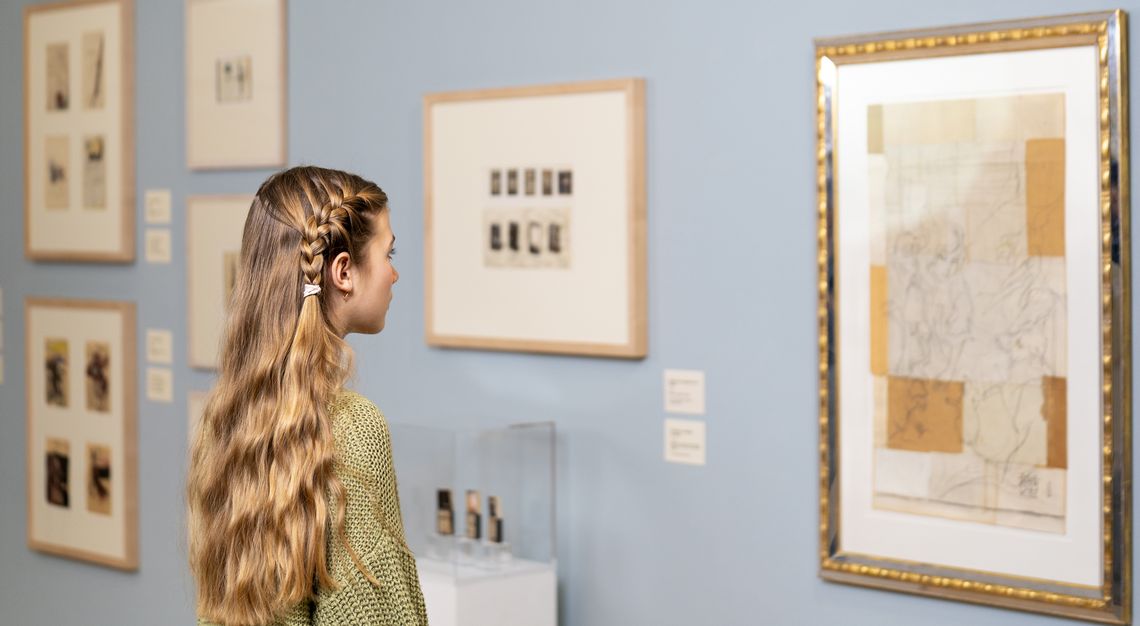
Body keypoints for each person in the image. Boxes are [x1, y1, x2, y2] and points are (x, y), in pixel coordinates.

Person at [187, 166, 426, 626]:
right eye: (388, 253)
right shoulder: (354, 428)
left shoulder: (228, 420)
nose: (394, 274)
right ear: (343, 272)